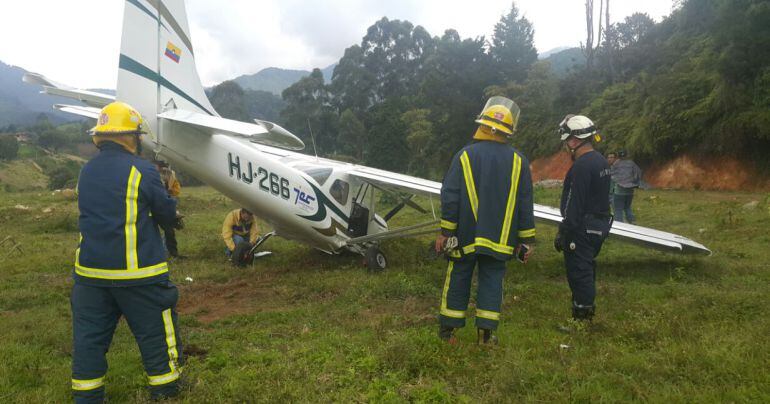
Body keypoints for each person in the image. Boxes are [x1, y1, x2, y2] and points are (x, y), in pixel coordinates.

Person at [72, 102, 182, 402]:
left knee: (88, 342)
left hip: (90, 276)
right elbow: (165, 213)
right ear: (131, 137)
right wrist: (171, 205)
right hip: (139, 275)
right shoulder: (143, 169)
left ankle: (88, 397)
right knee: (156, 337)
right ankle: (165, 391)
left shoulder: (86, 171)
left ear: (101, 136)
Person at [435, 96, 536, 345]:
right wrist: (527, 240)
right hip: (500, 239)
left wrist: (445, 232)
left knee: (458, 276)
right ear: (507, 131)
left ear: (484, 125)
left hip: (465, 235)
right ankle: (487, 336)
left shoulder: (464, 156)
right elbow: (525, 202)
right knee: (492, 281)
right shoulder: (519, 161)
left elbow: (451, 196)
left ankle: (449, 333)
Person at [554, 114, 612, 325]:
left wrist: (564, 229)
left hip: (582, 227)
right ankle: (585, 314)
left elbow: (574, 204)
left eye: (567, 141)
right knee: (587, 268)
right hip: (599, 225)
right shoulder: (601, 160)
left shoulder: (581, 166)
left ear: (574, 140)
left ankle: (581, 321)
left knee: (579, 271)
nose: (566, 146)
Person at [154, 160, 184, 258]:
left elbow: (170, 188)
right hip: (163, 202)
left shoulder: (169, 174)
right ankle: (169, 252)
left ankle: (170, 252)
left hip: (167, 200)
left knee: (169, 230)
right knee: (168, 230)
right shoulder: (158, 175)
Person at [611, 150, 642, 224]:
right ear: (626, 155)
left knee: (618, 209)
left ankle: (619, 224)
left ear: (618, 156)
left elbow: (612, 176)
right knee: (627, 207)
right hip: (630, 191)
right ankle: (632, 221)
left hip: (619, 191)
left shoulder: (616, 164)